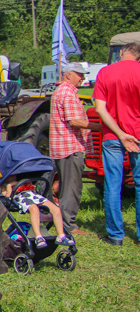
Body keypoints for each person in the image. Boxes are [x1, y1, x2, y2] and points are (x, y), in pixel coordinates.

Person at [93, 42, 140, 246]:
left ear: (121, 53)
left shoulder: (105, 72)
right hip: (138, 135)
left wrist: (120, 134)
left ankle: (115, 235)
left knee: (112, 185)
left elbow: (100, 109)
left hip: (113, 136)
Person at [50, 63, 100, 235]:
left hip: (62, 146)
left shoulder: (60, 91)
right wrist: (101, 126)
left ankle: (62, 221)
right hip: (70, 146)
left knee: (66, 186)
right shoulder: (68, 93)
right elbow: (74, 121)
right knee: (73, 187)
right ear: (68, 74)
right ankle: (69, 225)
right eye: (79, 74)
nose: (83, 78)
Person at [1, 175, 73, 248]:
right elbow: (7, 198)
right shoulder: (4, 185)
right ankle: (38, 237)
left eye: (14, 175)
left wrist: (28, 183)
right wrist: (10, 186)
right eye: (10, 176)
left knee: (56, 209)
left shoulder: (22, 180)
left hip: (33, 195)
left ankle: (61, 235)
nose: (13, 177)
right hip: (20, 198)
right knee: (34, 209)